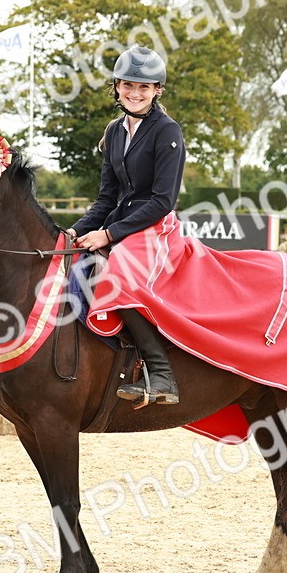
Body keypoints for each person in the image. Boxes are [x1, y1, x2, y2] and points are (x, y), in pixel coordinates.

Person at [68, 44, 183, 406]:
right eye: (128, 86)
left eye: (144, 87)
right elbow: (106, 198)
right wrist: (75, 230)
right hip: (120, 221)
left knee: (118, 270)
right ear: (117, 87)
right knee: (72, 262)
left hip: (155, 225)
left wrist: (109, 234)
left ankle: (162, 373)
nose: (135, 93)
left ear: (157, 90)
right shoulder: (114, 132)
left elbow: (162, 200)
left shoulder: (168, 131)